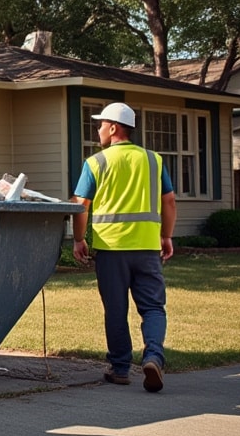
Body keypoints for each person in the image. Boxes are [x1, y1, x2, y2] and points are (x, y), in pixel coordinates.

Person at [71, 101, 176, 393]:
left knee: (116, 309)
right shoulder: (154, 160)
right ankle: (154, 356)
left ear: (114, 128)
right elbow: (169, 201)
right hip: (146, 248)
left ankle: (119, 368)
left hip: (110, 248)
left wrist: (78, 239)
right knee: (153, 307)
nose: (98, 129)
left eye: (101, 124)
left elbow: (80, 206)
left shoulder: (96, 163)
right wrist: (166, 236)